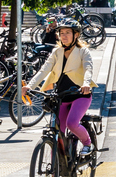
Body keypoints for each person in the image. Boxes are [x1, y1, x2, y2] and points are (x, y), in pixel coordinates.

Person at [23, 20, 96, 157]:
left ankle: (87, 143)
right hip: (62, 96)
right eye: (62, 33)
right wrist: (29, 86)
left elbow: (88, 68)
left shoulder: (83, 51)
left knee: (72, 124)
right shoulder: (57, 52)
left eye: (68, 33)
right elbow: (43, 70)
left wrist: (86, 84)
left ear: (76, 35)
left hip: (80, 95)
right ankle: (54, 171)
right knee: (57, 132)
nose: (64, 36)